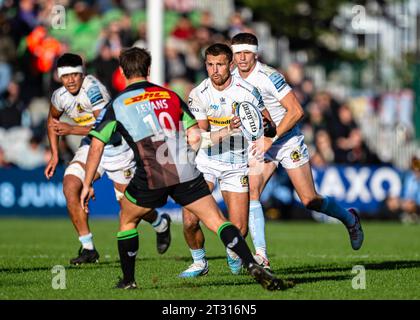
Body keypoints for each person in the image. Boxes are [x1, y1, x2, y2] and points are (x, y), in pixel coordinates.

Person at [79, 47, 291, 291]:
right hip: (184, 167)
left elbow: (96, 146)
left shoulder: (118, 104)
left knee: (127, 219)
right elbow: (194, 137)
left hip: (151, 170)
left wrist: (87, 183)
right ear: (149, 69)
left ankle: (128, 281)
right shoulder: (170, 96)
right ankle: (251, 263)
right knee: (217, 220)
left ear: (122, 72)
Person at [230, 32, 364, 267]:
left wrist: (272, 139)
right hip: (262, 142)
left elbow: (296, 111)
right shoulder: (232, 78)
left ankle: (349, 218)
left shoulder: (269, 76)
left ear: (255, 54)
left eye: (246, 53)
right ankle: (261, 255)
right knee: (253, 192)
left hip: (287, 140)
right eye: (237, 53)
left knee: (309, 199)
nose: (241, 58)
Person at [45, 53, 172, 265]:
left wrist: (71, 129)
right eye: (66, 76)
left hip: (116, 148)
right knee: (70, 186)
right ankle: (88, 248)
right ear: (59, 77)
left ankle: (160, 223)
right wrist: (55, 155)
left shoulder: (94, 90)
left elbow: (105, 128)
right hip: (91, 146)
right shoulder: (60, 96)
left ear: (82, 73)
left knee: (130, 206)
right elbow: (52, 120)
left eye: (75, 75)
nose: (71, 80)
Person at [178, 43, 275, 278]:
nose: (215, 70)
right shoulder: (198, 94)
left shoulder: (247, 91)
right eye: (210, 65)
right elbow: (200, 138)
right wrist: (229, 130)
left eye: (220, 64)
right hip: (206, 162)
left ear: (230, 65)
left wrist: (263, 128)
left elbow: (269, 125)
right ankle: (199, 262)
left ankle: (233, 253)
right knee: (190, 219)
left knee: (239, 228)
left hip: (237, 163)